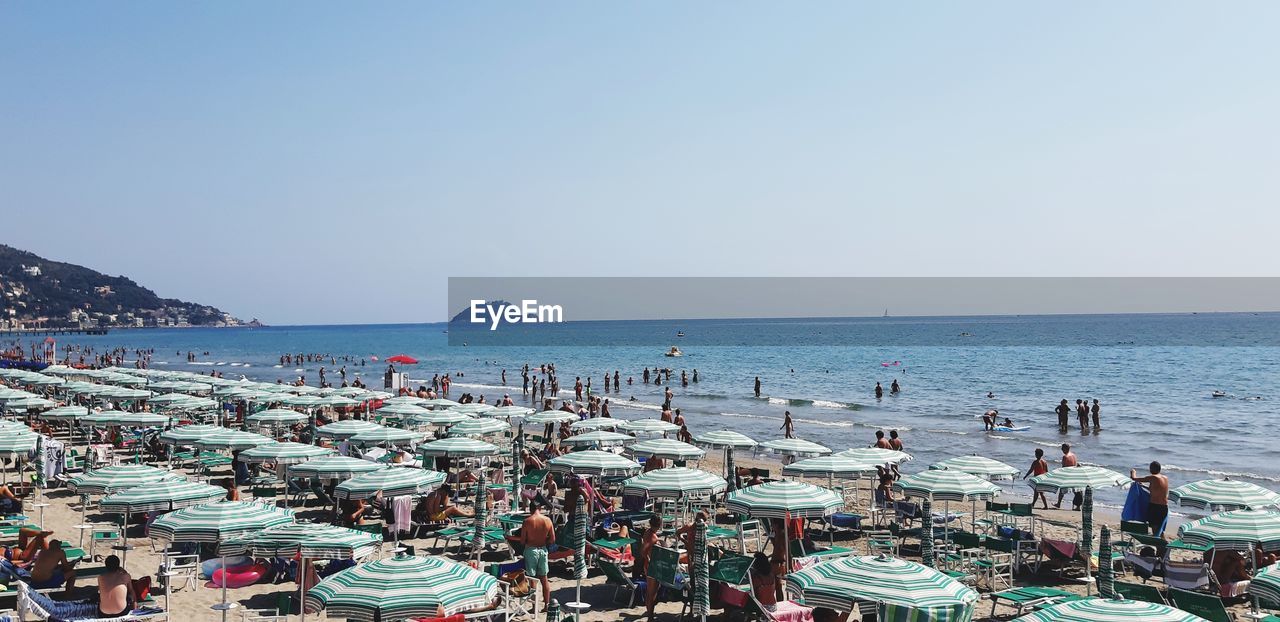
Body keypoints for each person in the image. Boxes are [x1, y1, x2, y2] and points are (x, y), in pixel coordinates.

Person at [520, 500, 555, 610]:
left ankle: (534, 606)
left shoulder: (527, 521)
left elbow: (522, 541)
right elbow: (553, 539)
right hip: (543, 550)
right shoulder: (547, 520)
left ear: (530, 509)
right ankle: (547, 605)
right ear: (540, 509)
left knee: (532, 579)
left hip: (531, 550)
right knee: (544, 579)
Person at [1131, 461, 1170, 536]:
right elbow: (1155, 490)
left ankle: (1160, 547)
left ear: (1152, 469)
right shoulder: (1165, 478)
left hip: (1155, 507)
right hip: (1164, 508)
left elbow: (1134, 478)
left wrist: (1133, 471)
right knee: (1160, 530)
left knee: (1155, 531)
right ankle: (1163, 547)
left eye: (1150, 468)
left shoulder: (1153, 477)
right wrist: (1143, 486)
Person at [635, 515, 663, 619]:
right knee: (652, 592)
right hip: (651, 566)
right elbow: (643, 551)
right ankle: (650, 615)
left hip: (649, 565)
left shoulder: (648, 532)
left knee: (650, 591)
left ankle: (649, 612)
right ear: (659, 525)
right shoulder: (652, 536)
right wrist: (649, 560)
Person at [1054, 444, 1080, 509]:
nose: (1061, 450)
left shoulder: (1065, 457)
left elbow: (1064, 467)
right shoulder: (1074, 455)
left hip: (1068, 475)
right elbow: (1077, 464)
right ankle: (1078, 506)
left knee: (1062, 489)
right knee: (1076, 491)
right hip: (1074, 474)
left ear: (1065, 449)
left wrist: (1060, 475)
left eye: (1062, 449)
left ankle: (1058, 504)